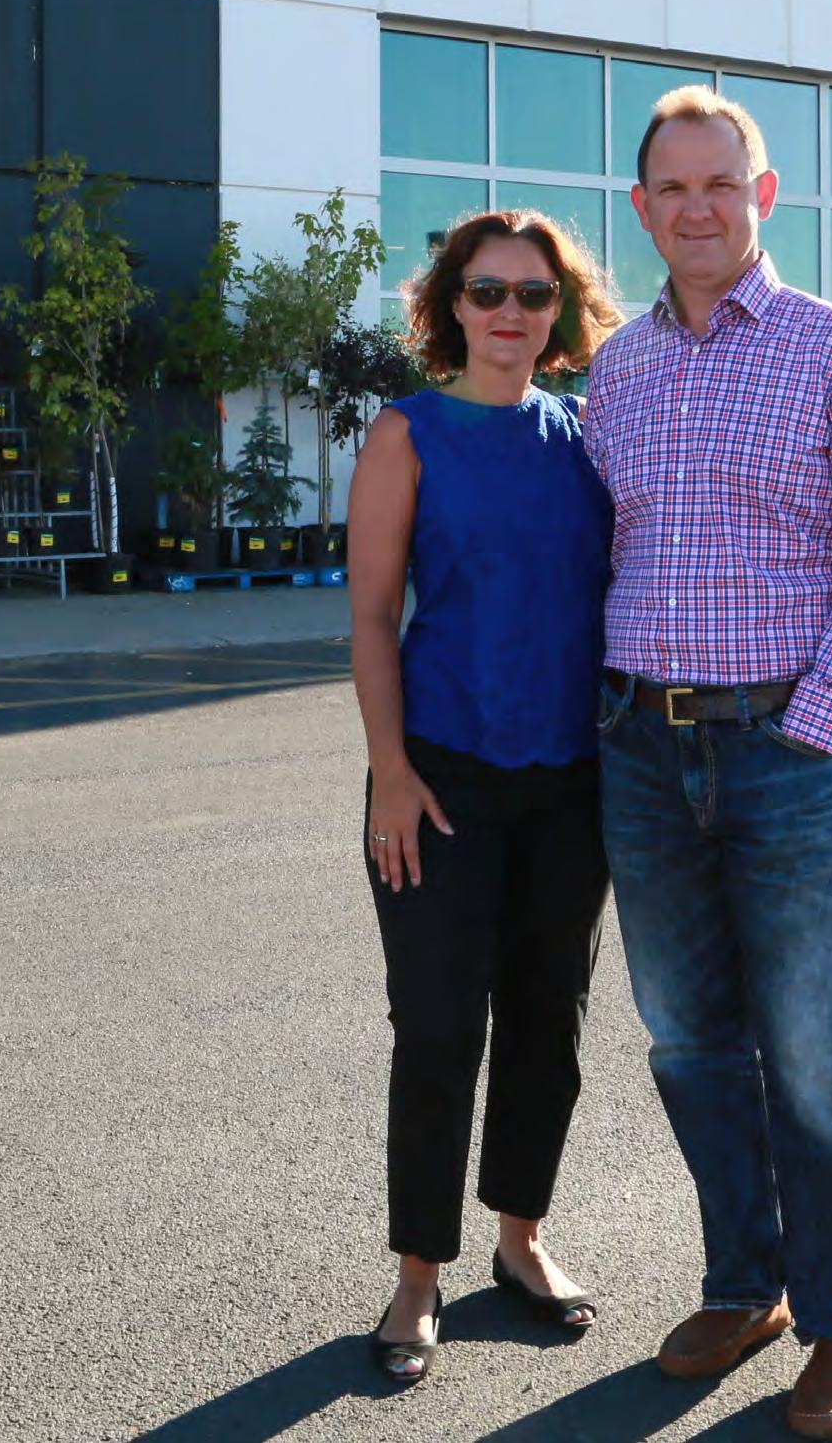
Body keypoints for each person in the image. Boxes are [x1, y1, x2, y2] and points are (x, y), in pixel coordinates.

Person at [583, 87, 832, 1441]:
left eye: (719, 183)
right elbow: (606, 552)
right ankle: (745, 1283)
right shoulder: (618, 369)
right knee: (688, 1043)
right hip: (639, 746)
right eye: (671, 188)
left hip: (789, 746)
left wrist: (818, 718)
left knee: (816, 1059)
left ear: (762, 195)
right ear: (641, 207)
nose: (697, 208)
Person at [347, 209, 619, 1385]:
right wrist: (391, 773)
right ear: (450, 305)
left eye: (535, 293)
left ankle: (521, 1236)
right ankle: (418, 1273)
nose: (511, 311)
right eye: (488, 290)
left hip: (571, 783)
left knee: (548, 1018)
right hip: (440, 775)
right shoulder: (407, 432)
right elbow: (371, 616)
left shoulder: (587, 433)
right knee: (440, 1024)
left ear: (562, 312)